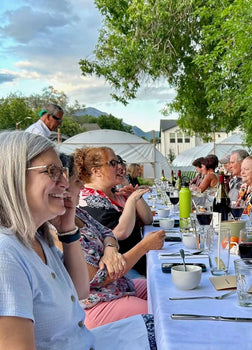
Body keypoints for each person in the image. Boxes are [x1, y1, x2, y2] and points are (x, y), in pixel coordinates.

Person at [0, 131, 95, 349]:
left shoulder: (35, 239)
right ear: (13, 176)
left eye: (64, 172)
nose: (65, 183)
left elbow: (80, 291)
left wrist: (68, 231)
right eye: (52, 171)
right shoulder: (5, 255)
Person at [55, 153, 164, 331]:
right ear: (62, 187)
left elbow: (107, 232)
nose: (82, 185)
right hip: (96, 303)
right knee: (163, 317)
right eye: (77, 182)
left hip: (117, 286)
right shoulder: (58, 227)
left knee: (164, 287)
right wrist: (145, 246)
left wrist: (110, 250)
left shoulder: (77, 213)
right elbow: (97, 278)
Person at [75, 146, 153, 276]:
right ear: (96, 171)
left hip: (137, 263)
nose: (120, 167)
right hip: (121, 272)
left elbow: (148, 219)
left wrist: (132, 194)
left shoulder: (115, 193)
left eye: (120, 162)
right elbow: (119, 232)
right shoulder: (90, 200)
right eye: (113, 163)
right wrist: (132, 199)